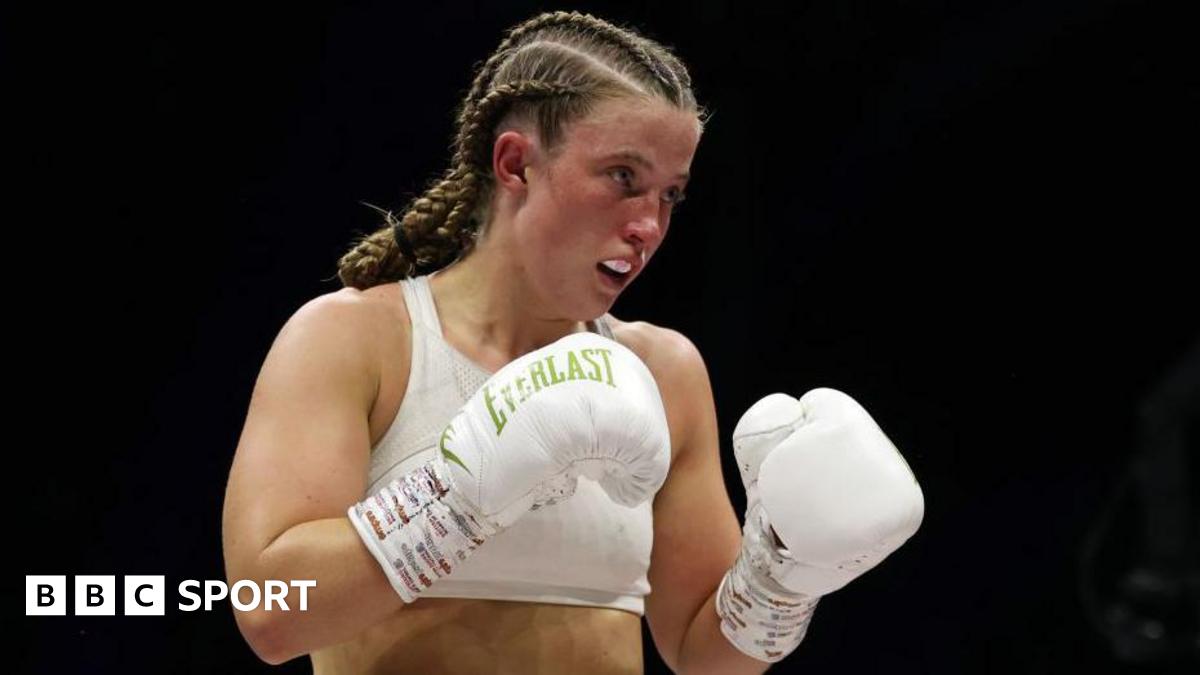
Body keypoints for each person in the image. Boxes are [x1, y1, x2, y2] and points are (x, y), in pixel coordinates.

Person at [221, 10, 924, 674]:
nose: (649, 224)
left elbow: (702, 654)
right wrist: (464, 494)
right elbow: (267, 615)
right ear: (515, 164)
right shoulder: (355, 339)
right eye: (624, 178)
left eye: (671, 195)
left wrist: (779, 579)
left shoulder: (663, 371)